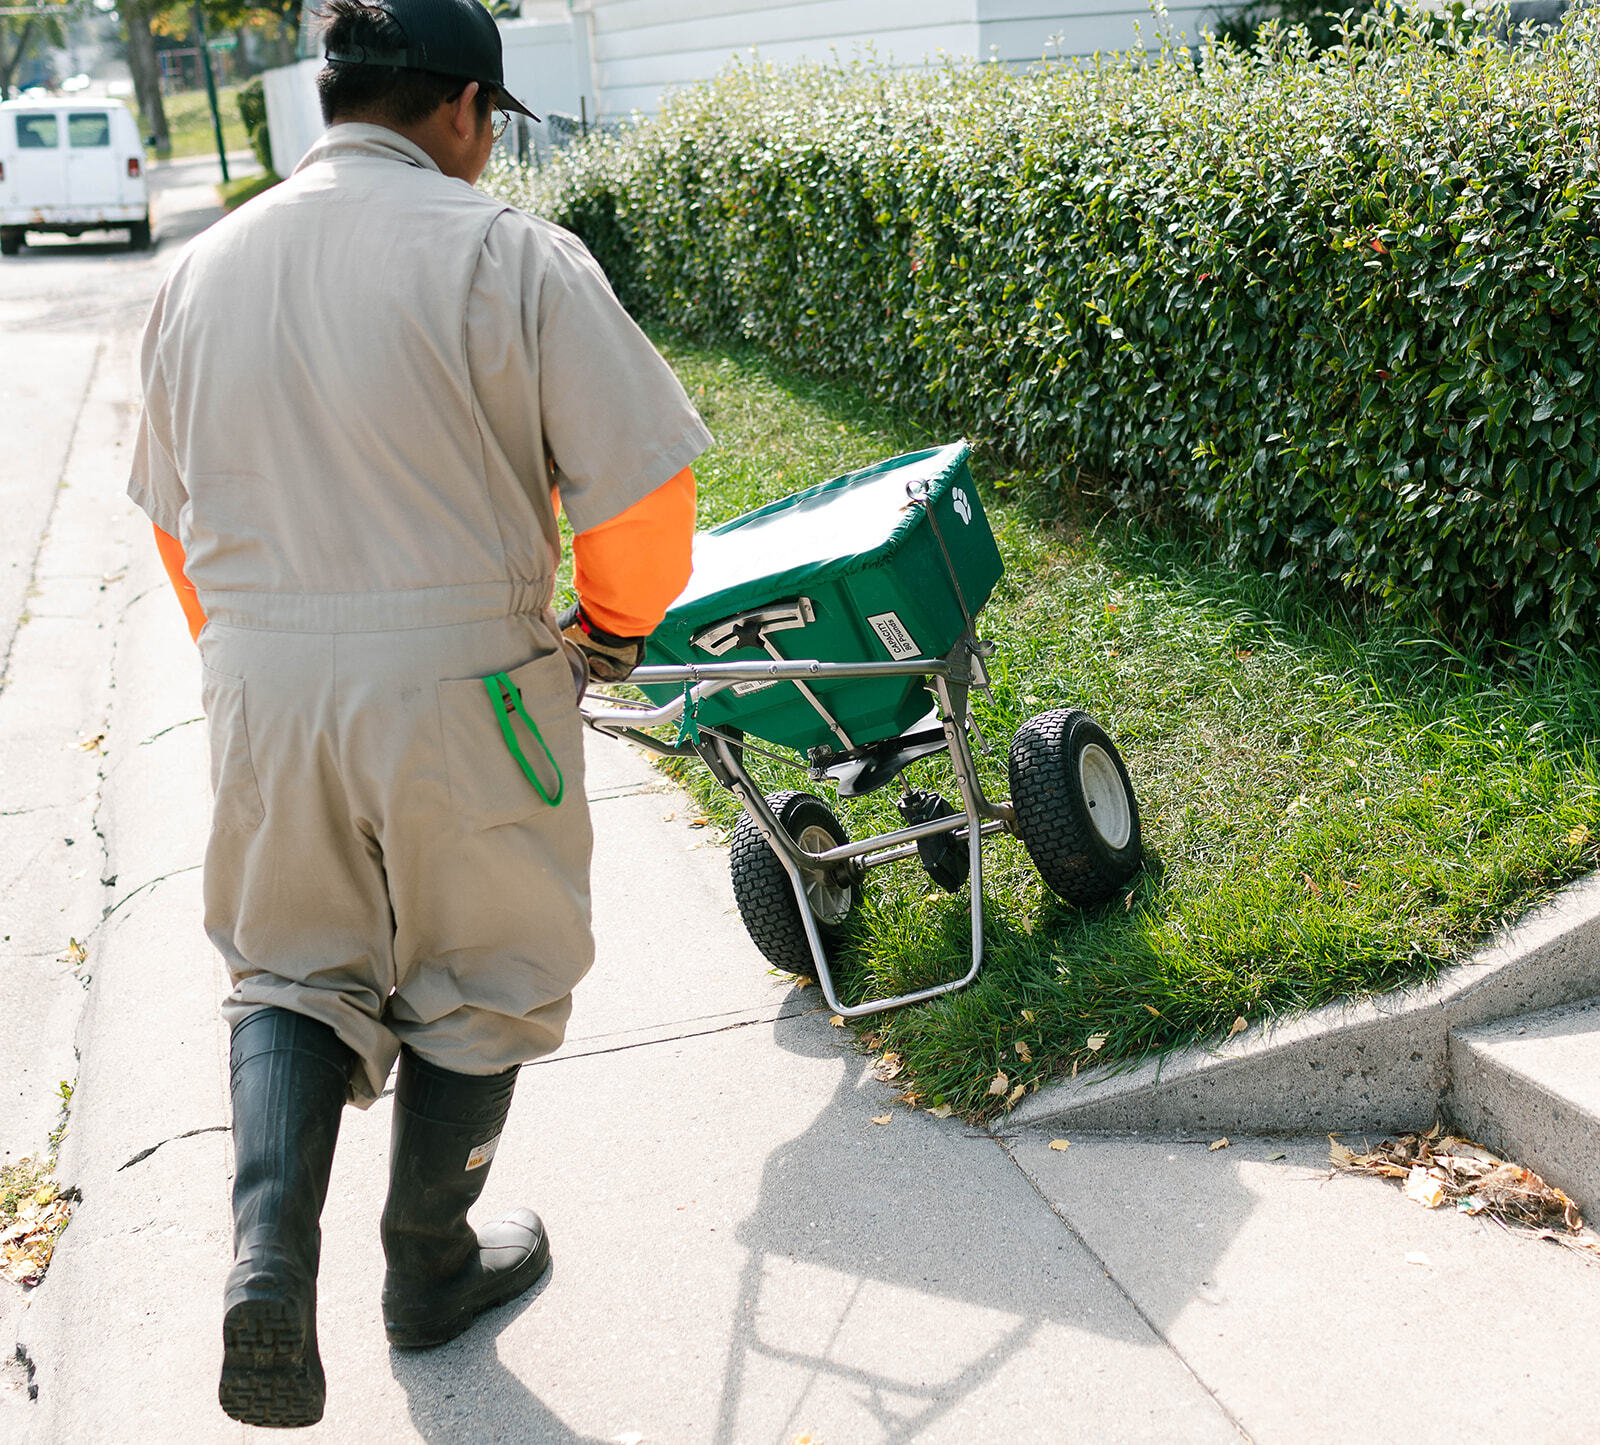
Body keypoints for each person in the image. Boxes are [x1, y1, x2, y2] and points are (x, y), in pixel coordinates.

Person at [129, 0, 709, 1427]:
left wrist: (253, 665)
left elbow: (171, 522)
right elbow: (643, 499)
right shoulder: (511, 257)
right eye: (489, 123)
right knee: (485, 969)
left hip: (261, 688)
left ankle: (269, 1259)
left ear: (332, 100)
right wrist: (610, 627)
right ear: (462, 109)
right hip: (464, 686)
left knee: (287, 969)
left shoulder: (201, 274)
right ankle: (429, 1264)